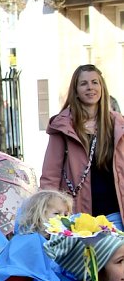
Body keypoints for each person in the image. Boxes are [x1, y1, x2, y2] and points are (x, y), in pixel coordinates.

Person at [41, 64, 124, 229]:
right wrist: (49, 215)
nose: (90, 87)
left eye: (95, 82)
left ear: (102, 87)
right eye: (84, 83)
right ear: (76, 90)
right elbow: (51, 175)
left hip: (115, 214)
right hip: (78, 216)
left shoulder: (117, 124)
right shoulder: (63, 126)